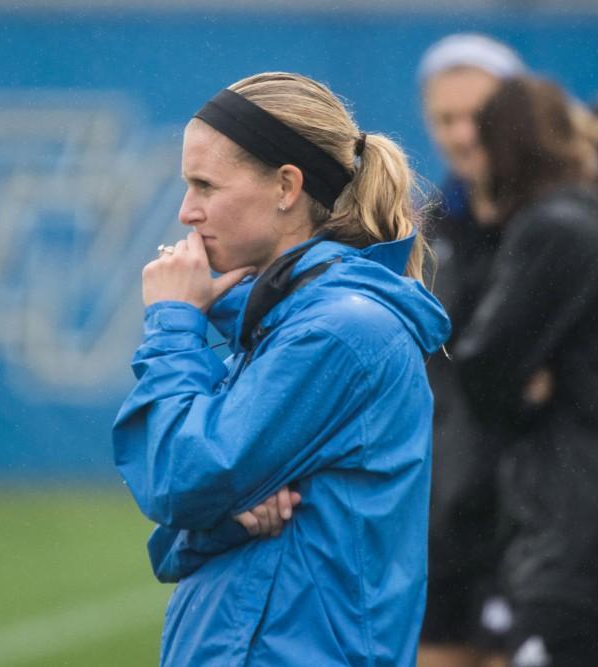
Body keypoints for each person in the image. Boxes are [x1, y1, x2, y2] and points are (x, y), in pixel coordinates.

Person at [112, 72, 451, 666]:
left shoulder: (336, 331)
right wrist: (227, 519)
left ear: (287, 187)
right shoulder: (282, 321)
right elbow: (171, 543)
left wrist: (171, 322)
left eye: (205, 185)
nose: (187, 211)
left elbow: (175, 478)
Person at [452, 77, 598, 666]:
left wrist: (532, 393)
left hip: (583, 535)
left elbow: (482, 370)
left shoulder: (551, 229)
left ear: (496, 151)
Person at [415, 32, 526, 667]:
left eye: (478, 117)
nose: (462, 135)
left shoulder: (567, 225)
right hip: (443, 523)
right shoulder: (426, 232)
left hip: (540, 530)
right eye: (444, 118)